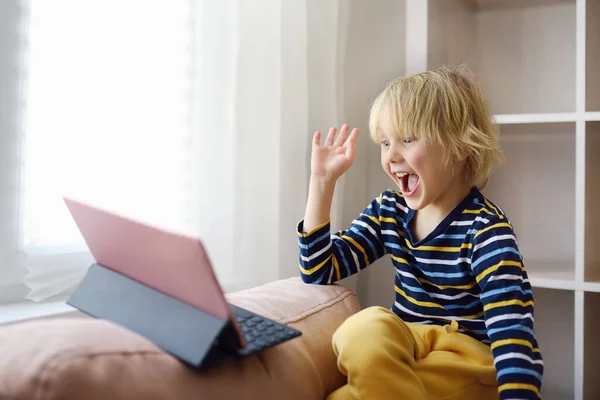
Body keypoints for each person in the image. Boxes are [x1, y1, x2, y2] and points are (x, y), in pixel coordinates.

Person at [296, 65, 543, 400]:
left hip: (466, 359)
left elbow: (513, 335)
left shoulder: (486, 233)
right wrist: (321, 185)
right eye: (385, 143)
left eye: (408, 139)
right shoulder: (390, 211)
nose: (392, 155)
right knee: (363, 326)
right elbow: (318, 270)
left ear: (461, 146)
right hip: (409, 346)